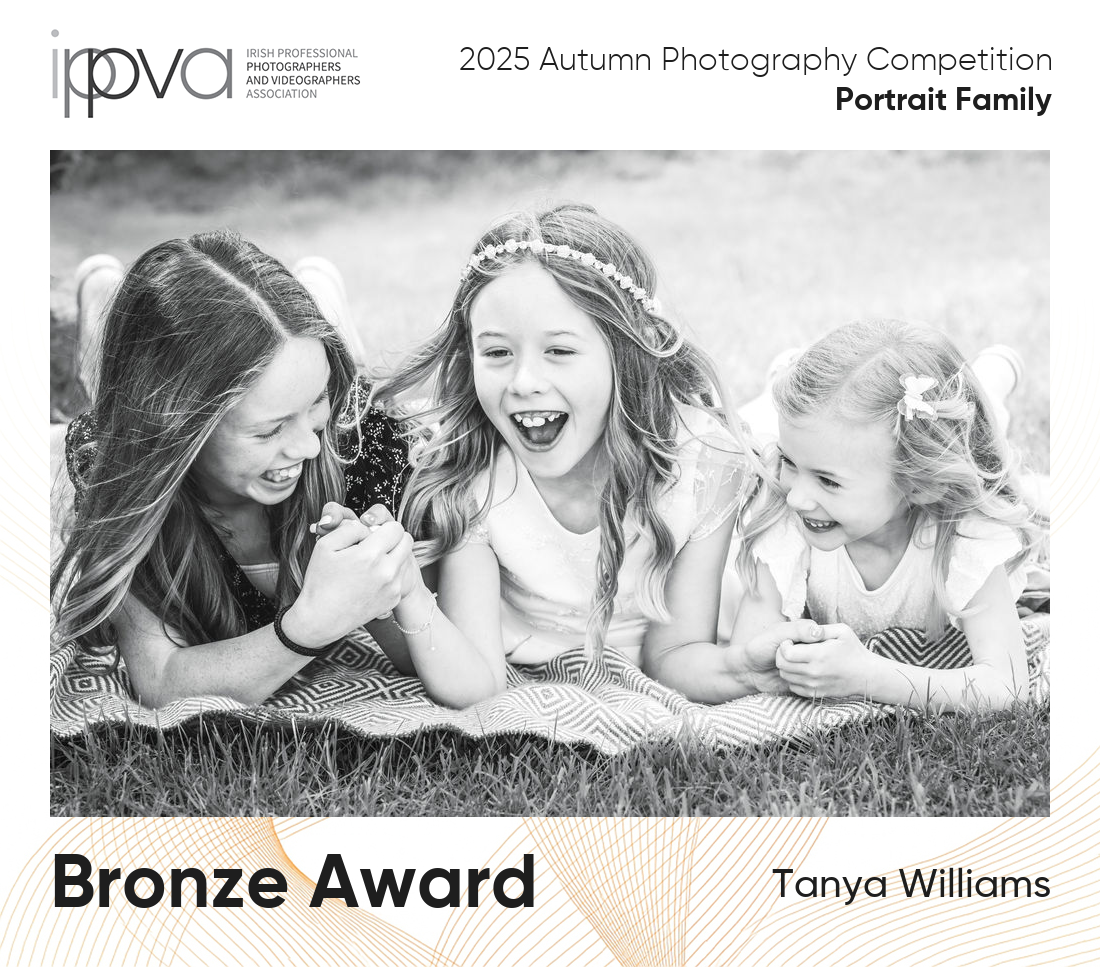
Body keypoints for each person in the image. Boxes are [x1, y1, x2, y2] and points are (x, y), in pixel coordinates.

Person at [366, 204, 810, 707]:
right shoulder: (475, 472)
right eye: (496, 353)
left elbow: (677, 654)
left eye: (559, 351)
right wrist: (403, 588)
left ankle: (784, 380)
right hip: (530, 645)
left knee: (788, 428)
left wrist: (740, 669)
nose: (524, 382)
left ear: (625, 352)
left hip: (656, 623)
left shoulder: (704, 467)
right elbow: (475, 685)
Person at [51, 230, 421, 709]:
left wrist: (385, 589)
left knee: (339, 363)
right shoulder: (120, 467)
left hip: (340, 397)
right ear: (177, 429)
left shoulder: (365, 448)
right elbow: (159, 679)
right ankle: (100, 286)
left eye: (317, 404)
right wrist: (307, 627)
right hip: (135, 411)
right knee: (99, 383)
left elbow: (428, 647)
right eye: (269, 432)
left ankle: (321, 292)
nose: (309, 448)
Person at [734, 319, 1046, 709]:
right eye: (789, 462)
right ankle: (782, 375)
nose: (797, 497)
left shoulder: (964, 533)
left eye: (828, 482)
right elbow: (748, 650)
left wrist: (870, 676)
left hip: (933, 446)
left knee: (985, 430)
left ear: (919, 485)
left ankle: (992, 376)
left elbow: (1007, 687)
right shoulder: (787, 509)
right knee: (760, 426)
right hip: (827, 440)